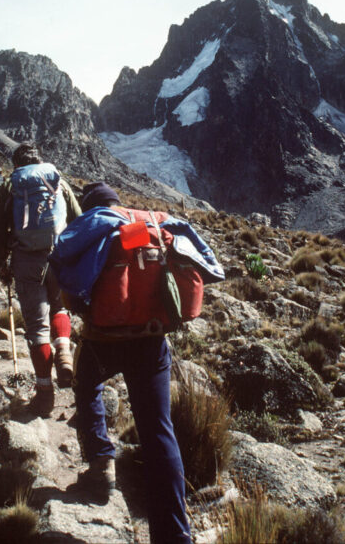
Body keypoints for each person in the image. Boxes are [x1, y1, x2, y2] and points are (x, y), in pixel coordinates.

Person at [50, 182, 224, 544]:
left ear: (91, 205)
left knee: (86, 386)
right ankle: (175, 535)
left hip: (106, 339)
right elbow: (206, 261)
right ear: (117, 201)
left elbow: (62, 258)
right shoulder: (152, 221)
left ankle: (101, 465)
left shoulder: (96, 219)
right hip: (152, 339)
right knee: (159, 432)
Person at [0, 141, 81, 416]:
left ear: (17, 164)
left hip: (27, 261)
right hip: (58, 257)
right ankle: (64, 353)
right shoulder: (58, 181)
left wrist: (2, 265)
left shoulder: (12, 185)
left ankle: (44, 395)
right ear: (39, 159)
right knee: (59, 307)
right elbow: (79, 219)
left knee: (36, 327)